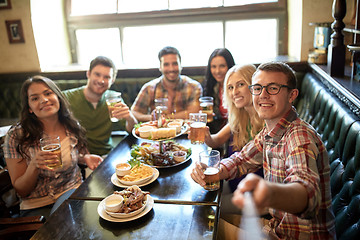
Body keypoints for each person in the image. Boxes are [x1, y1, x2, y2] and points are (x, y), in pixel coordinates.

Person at [191, 62, 336, 239]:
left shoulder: (299, 137)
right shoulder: (270, 131)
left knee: (204, 224)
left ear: (292, 95)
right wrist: (211, 170)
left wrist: (270, 193)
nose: (263, 95)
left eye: (273, 88)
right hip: (276, 226)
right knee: (209, 215)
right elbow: (241, 160)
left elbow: (308, 194)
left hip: (293, 236)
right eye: (258, 88)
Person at [3, 76, 103, 219]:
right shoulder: (16, 136)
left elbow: (73, 155)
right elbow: (21, 191)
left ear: (58, 98)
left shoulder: (71, 126)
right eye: (35, 98)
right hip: (37, 208)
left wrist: (84, 158)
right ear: (29, 108)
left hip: (74, 194)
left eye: (48, 93)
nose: (44, 100)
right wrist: (34, 166)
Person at [63, 56, 137, 156]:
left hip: (106, 155)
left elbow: (132, 130)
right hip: (78, 157)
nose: (101, 81)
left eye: (107, 77)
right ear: (88, 74)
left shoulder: (114, 98)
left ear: (113, 80)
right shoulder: (67, 98)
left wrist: (130, 117)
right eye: (97, 75)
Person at [131, 46, 203, 122]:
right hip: (157, 132)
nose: (171, 69)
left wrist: (163, 118)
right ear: (160, 67)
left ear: (180, 65)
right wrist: (151, 118)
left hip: (185, 132)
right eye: (166, 64)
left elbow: (194, 113)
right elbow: (134, 112)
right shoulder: (149, 88)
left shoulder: (193, 87)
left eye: (175, 64)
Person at [202, 48, 235, 133]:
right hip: (217, 133)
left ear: (230, 66)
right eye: (214, 67)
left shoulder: (236, 89)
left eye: (222, 66)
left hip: (235, 132)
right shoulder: (212, 87)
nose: (217, 71)